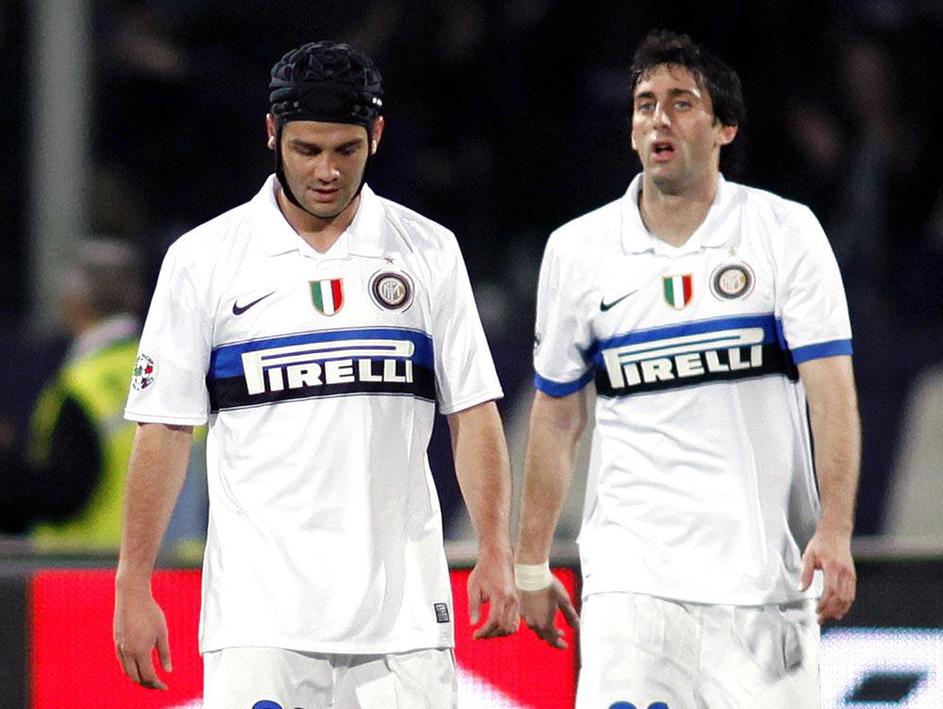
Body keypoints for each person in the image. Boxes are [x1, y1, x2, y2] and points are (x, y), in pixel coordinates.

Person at [112, 40, 518, 706]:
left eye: (345, 150)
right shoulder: (203, 260)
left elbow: (472, 412)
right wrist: (133, 582)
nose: (326, 170)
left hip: (404, 619)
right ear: (272, 133)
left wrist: (495, 551)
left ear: (376, 135)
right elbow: (163, 431)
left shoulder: (429, 251)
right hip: (258, 619)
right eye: (306, 149)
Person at [514, 30, 860, 708]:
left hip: (762, 589)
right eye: (645, 104)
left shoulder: (784, 233)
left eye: (681, 103)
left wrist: (836, 529)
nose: (659, 120)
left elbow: (832, 396)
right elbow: (556, 417)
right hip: (631, 589)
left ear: (724, 127)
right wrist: (530, 559)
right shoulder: (577, 251)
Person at [0, 239, 142, 548]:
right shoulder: (170, 367)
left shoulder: (82, 386)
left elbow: (63, 495)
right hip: (180, 564)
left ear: (74, 302)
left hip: (86, 566)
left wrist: (7, 461)